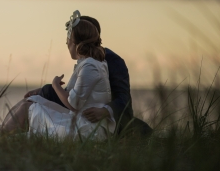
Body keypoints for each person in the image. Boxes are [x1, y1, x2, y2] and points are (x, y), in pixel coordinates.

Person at [23, 13, 152, 137]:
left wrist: (105, 111)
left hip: (108, 124)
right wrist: (43, 90)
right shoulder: (84, 61)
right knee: (36, 100)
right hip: (83, 118)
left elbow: (123, 101)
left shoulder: (111, 61)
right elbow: (73, 93)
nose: (68, 43)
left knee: (144, 133)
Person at [1, 11, 115, 140]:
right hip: (83, 122)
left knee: (29, 109)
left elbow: (74, 104)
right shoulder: (92, 63)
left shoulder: (90, 66)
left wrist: (56, 85)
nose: (67, 44)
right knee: (31, 103)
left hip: (86, 129)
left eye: (69, 41)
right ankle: (1, 137)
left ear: (77, 43)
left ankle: (0, 138)